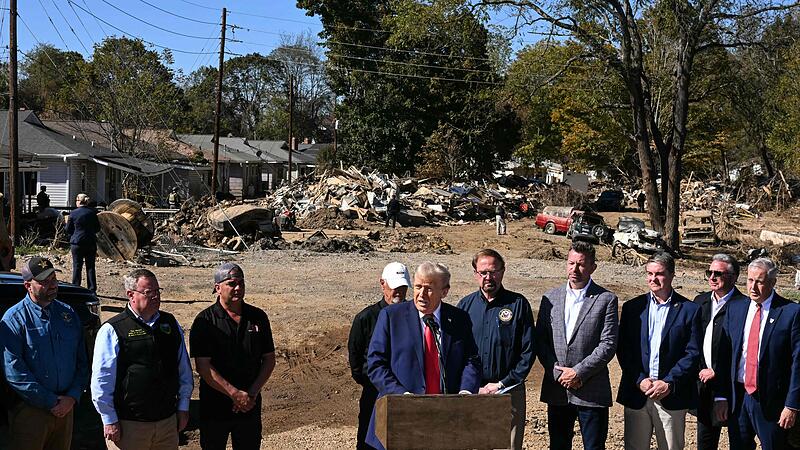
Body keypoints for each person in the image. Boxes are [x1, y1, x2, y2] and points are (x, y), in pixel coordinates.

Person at [365, 262, 481, 450]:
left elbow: (471, 360)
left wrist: (466, 392)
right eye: (418, 287)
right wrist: (402, 395)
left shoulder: (459, 319)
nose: (421, 294)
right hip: (400, 415)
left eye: (429, 289)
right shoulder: (391, 316)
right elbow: (376, 364)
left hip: (445, 418)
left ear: (444, 291)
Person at [90, 269, 193, 450]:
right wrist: (109, 419)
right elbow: (101, 380)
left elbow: (183, 369)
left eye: (157, 291)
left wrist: (183, 406)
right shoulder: (113, 329)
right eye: (149, 292)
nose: (155, 297)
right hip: (129, 425)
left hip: (167, 423)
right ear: (131, 295)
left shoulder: (169, 323)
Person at [536, 241, 619, 450]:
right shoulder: (550, 298)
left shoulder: (606, 299)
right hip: (558, 390)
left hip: (590, 389)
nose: (574, 269)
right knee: (558, 445)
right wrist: (557, 373)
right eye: (571, 263)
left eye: (581, 264)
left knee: (594, 446)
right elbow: (542, 340)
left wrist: (579, 373)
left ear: (592, 267)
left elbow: (608, 344)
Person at [0, 257, 88, 450]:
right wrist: (50, 401)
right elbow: (14, 372)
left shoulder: (68, 314)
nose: (52, 285)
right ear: (27, 286)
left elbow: (82, 360)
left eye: (53, 279)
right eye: (44, 281)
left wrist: (72, 396)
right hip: (31, 411)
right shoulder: (15, 319)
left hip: (66, 408)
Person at [617, 251, 702, 450]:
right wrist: (639, 379)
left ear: (672, 275)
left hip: (671, 396)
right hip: (638, 393)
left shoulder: (689, 310)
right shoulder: (632, 308)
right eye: (649, 273)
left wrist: (669, 382)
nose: (653, 279)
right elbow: (624, 350)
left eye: (660, 274)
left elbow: (693, 353)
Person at [189, 263, 276, 450]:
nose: (238, 288)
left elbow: (268, 359)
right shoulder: (204, 321)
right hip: (215, 406)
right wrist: (235, 394)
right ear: (217, 288)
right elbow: (203, 367)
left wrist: (250, 394)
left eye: (241, 283)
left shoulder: (258, 317)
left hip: (249, 404)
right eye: (232, 283)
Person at [716, 257, 800, 450]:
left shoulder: (791, 313)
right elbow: (724, 356)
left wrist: (792, 405)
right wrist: (721, 396)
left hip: (772, 401)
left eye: (760, 282)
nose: (753, 287)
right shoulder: (736, 308)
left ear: (772, 283)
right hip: (739, 397)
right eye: (750, 280)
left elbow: (798, 363)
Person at [457, 249, 534, 450]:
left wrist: (502, 383)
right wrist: (470, 386)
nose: (488, 277)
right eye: (483, 272)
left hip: (508, 391)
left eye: (493, 271)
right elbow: (456, 353)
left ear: (502, 271)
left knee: (509, 446)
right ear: (475, 274)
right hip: (473, 392)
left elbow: (527, 351)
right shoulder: (464, 307)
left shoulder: (518, 304)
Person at [348, 262, 411, 450]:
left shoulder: (414, 315)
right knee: (370, 441)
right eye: (394, 287)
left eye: (402, 287)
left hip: (407, 392)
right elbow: (356, 358)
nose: (398, 292)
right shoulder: (366, 318)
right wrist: (372, 382)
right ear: (382, 284)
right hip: (374, 392)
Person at [692, 254, 748, 450]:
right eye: (709, 272)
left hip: (734, 388)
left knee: (740, 441)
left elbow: (743, 349)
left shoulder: (746, 306)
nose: (712, 277)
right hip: (705, 385)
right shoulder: (700, 302)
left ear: (733, 277)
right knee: (705, 442)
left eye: (718, 273)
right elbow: (693, 342)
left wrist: (717, 370)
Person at [66, 193, 100, 292]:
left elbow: (68, 229)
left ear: (79, 201)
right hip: (90, 241)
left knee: (77, 266)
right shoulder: (92, 213)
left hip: (77, 242)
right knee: (90, 267)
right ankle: (92, 289)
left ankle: (75, 288)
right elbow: (97, 228)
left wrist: (74, 233)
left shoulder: (73, 213)